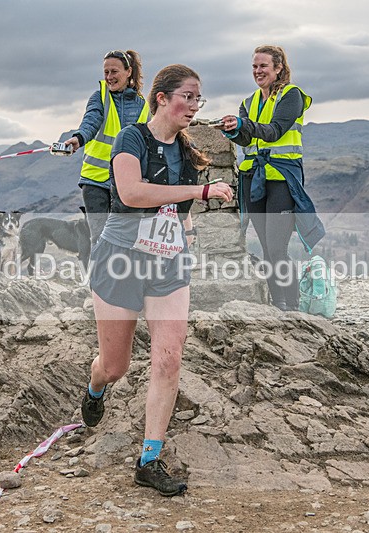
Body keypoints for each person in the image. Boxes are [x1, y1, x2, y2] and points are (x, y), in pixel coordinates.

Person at [81, 64, 233, 496]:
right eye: (189, 96)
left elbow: (176, 217)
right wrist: (199, 192)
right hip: (120, 261)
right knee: (116, 366)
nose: (195, 105)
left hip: (167, 264)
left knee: (169, 357)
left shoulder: (186, 152)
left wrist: (183, 237)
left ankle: (149, 459)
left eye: (199, 98)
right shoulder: (131, 138)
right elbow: (132, 194)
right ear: (162, 98)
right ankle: (95, 388)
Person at [215, 45, 325, 311]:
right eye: (254, 66)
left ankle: (292, 305)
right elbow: (246, 138)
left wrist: (243, 125)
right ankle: (279, 302)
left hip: (282, 179)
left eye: (263, 66)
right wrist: (232, 130)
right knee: (266, 246)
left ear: (278, 68)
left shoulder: (291, 95)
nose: (257, 71)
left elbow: (275, 131)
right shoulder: (249, 102)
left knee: (277, 247)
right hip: (254, 179)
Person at [63, 49, 150, 244]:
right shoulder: (99, 97)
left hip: (127, 182)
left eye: (114, 72)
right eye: (106, 72)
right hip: (95, 180)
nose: (109, 77)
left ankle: (121, 274)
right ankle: (99, 275)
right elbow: (91, 121)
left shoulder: (143, 106)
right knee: (100, 238)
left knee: (125, 238)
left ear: (128, 72)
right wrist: (78, 139)